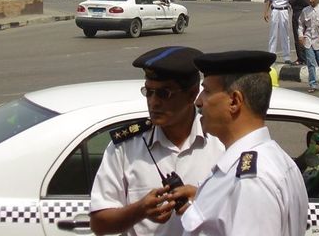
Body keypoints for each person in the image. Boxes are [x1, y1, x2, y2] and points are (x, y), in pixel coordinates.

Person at [89, 46, 224, 236]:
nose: (153, 102)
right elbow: (99, 224)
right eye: (148, 92)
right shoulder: (125, 147)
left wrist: (203, 203)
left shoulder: (220, 143)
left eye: (164, 94)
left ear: (192, 94)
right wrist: (140, 210)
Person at [176, 50, 308, 236]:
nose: (199, 102)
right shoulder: (271, 160)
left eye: (206, 91)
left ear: (234, 101)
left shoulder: (251, 181)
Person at [264, 0, 292, 64]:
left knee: (285, 34)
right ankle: (271, 55)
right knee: (273, 34)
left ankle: (286, 57)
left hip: (284, 11)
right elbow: (268, 0)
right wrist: (265, 12)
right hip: (275, 10)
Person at [289, 0, 316, 65]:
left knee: (299, 36)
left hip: (299, 13)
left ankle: (301, 58)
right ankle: (312, 56)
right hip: (311, 11)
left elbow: (291, 1)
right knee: (310, 34)